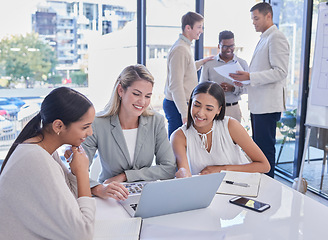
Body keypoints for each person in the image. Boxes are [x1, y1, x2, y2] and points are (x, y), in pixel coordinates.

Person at [0, 87, 106, 239]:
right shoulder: (35, 158)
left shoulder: (45, 150)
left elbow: (73, 202)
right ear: (58, 126)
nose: (90, 133)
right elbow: (83, 234)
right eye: (85, 127)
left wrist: (75, 172)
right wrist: (82, 171)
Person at [75, 64, 176, 199]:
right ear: (121, 90)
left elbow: (169, 168)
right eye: (136, 94)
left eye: (148, 96)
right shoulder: (98, 124)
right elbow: (76, 172)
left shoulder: (156, 121)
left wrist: (125, 176)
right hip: (110, 197)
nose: (142, 101)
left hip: (145, 196)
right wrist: (99, 189)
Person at [229, 2, 290, 178]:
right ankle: (262, 183)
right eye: (252, 19)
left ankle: (267, 186)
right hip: (259, 105)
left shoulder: (276, 37)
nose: (253, 22)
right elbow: (261, 72)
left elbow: (280, 72)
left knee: (264, 150)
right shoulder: (264, 38)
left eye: (256, 18)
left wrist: (250, 77)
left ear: (268, 16)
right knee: (259, 149)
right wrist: (244, 82)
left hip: (267, 106)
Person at [171, 81, 270, 178]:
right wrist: (182, 174)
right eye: (196, 105)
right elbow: (185, 174)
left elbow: (264, 165)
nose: (200, 113)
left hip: (240, 186)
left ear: (219, 110)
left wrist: (221, 169)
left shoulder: (231, 126)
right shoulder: (179, 136)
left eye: (209, 109)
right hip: (205, 190)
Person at [163, 11, 214, 138]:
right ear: (188, 28)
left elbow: (186, 68)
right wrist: (184, 113)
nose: (201, 31)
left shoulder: (184, 46)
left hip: (180, 103)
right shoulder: (180, 49)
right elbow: (175, 85)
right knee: (177, 147)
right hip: (177, 105)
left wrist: (202, 62)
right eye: (199, 27)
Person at [200, 30, 248, 122]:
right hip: (212, 110)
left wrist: (233, 88)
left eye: (231, 46)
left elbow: (248, 87)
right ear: (219, 46)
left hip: (233, 109)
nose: (229, 49)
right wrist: (215, 89)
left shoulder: (242, 63)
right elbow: (202, 88)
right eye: (225, 46)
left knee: (233, 136)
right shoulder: (209, 64)